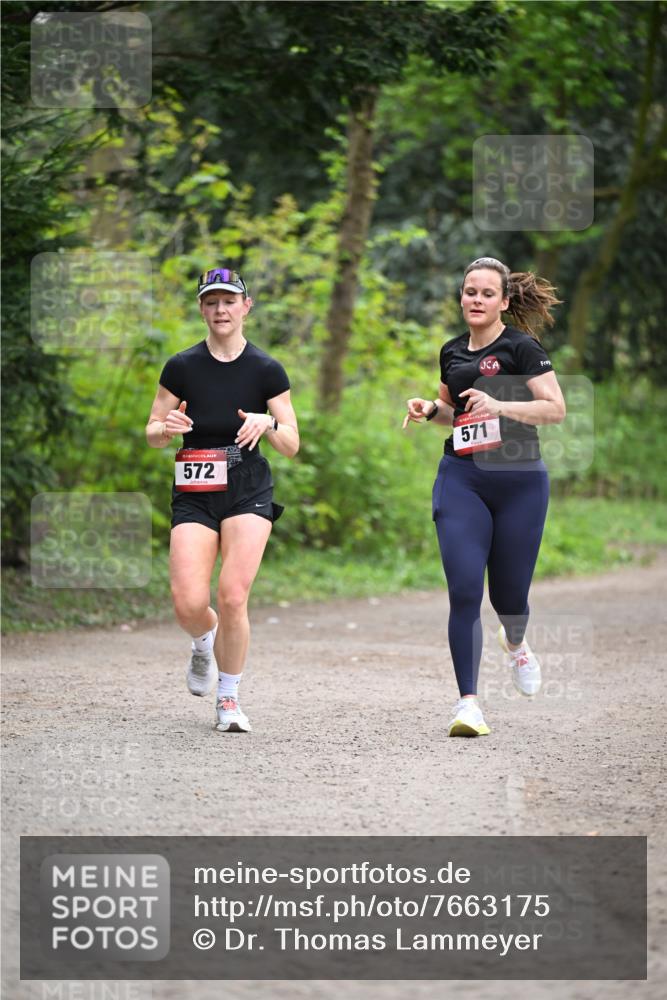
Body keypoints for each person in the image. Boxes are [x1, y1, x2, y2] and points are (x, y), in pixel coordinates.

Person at [403, 257, 566, 737]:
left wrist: (500, 403)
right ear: (461, 298)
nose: (476, 300)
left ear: (504, 301)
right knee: (465, 591)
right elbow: (453, 413)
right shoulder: (451, 352)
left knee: (509, 597)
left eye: (486, 293)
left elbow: (555, 409)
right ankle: (468, 704)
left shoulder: (521, 347)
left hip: (519, 482)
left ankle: (515, 643)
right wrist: (430, 408)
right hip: (463, 478)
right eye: (469, 292)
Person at [146, 267, 299, 733]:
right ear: (201, 309)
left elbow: (292, 441)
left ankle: (229, 699)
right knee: (188, 601)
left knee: (233, 595)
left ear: (245, 307)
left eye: (229, 301)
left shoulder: (266, 370)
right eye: (211, 302)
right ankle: (202, 642)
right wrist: (166, 428)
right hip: (195, 490)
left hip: (248, 487)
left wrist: (267, 424)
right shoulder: (181, 367)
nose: (220, 310)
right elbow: (152, 431)